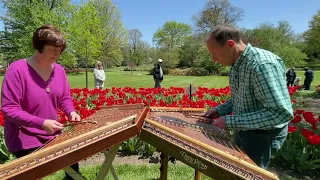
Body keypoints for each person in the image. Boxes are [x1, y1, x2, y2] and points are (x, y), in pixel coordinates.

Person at [203, 25, 293, 169]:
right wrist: (220, 110)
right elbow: (241, 97)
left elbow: (279, 113)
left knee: (247, 174)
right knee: (234, 171)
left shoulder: (262, 65)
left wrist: (230, 121)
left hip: (263, 135)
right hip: (244, 127)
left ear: (230, 44)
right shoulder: (237, 64)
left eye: (215, 53)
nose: (213, 59)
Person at [1, 24, 82, 180]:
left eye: (60, 49)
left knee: (73, 169)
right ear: (39, 46)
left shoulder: (59, 70)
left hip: (52, 134)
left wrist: (71, 112)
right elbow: (9, 108)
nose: (57, 53)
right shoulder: (17, 70)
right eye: (53, 48)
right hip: (24, 138)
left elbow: (64, 97)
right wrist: (42, 122)